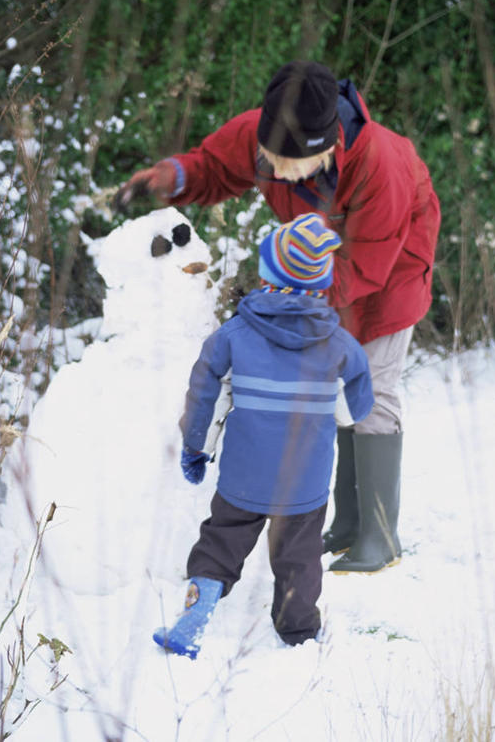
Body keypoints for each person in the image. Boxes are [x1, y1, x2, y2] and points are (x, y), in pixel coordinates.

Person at [117, 60, 441, 574]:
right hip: (316, 274)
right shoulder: (266, 134)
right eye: (270, 160)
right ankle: (349, 523)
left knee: (371, 389)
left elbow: (365, 265)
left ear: (328, 147)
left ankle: (381, 535)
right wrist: (173, 176)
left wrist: (289, 291)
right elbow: (215, 167)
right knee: (331, 392)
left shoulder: (381, 164)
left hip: (390, 275)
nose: (278, 172)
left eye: (291, 165)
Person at [152, 213, 374, 658]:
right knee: (299, 556)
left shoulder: (232, 336)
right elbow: (352, 412)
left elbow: (207, 397)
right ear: (320, 281)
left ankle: (198, 608)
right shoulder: (340, 345)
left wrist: (198, 448)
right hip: (304, 481)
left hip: (243, 475)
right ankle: (298, 633)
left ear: (268, 274)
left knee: (222, 540)